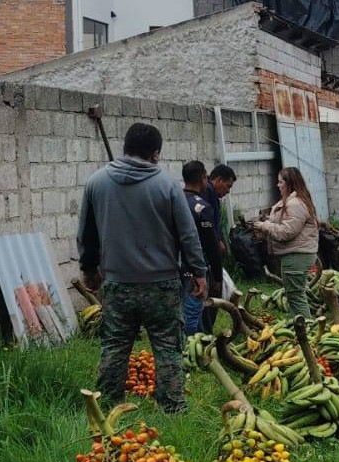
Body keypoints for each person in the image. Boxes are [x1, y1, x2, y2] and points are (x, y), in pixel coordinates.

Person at [77, 122, 206, 414]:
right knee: (167, 349)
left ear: (125, 148)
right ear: (155, 153)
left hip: (117, 284)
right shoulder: (168, 185)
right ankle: (173, 410)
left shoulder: (96, 182)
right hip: (162, 285)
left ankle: (108, 405)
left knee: (114, 346)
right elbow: (188, 235)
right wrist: (199, 272)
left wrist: (89, 270)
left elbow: (86, 234)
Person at [254, 167, 319, 320]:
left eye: (280, 182)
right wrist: (268, 223)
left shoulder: (295, 203)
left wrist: (264, 226)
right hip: (296, 255)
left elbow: (287, 232)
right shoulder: (294, 201)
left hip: (297, 256)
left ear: (290, 184)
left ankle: (306, 331)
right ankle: (300, 328)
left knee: (296, 297)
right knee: (295, 296)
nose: (278, 185)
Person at [181, 161, 222, 335]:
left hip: (171, 266)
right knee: (192, 310)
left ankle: (198, 343)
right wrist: (218, 276)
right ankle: (190, 350)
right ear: (203, 178)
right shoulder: (202, 207)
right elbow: (211, 245)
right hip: (194, 269)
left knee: (183, 310)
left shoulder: (175, 201)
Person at [200, 164, 236, 330]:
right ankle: (205, 333)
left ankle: (206, 331)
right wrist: (217, 241)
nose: (228, 191)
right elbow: (207, 227)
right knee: (210, 297)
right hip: (207, 257)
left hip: (210, 256)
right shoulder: (206, 192)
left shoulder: (211, 194)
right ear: (218, 180)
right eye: (228, 186)